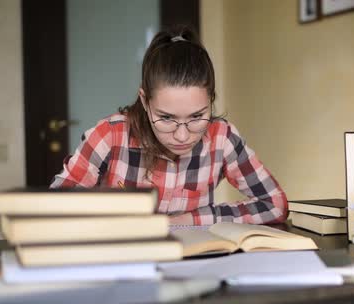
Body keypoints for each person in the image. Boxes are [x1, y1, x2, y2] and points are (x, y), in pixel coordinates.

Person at [50, 26, 288, 226]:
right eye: (166, 118)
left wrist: (189, 219)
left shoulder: (222, 138)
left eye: (197, 116)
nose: (182, 136)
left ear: (211, 100)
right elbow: (53, 208)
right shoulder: (110, 136)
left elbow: (275, 204)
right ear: (144, 100)